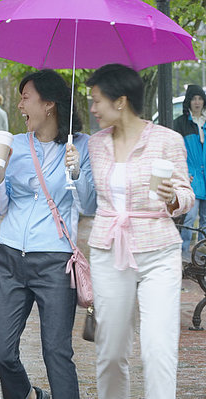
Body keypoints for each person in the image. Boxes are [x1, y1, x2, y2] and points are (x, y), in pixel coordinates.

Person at [0, 69, 96, 399]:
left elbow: (88, 204)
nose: (20, 105)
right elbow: (0, 208)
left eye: (25, 98)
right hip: (8, 259)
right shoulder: (15, 144)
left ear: (48, 104)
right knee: (0, 351)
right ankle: (30, 395)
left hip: (55, 262)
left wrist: (76, 170)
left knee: (57, 354)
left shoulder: (81, 145)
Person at [86, 64, 194, 399]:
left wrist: (174, 197)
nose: (92, 108)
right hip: (108, 250)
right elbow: (88, 198)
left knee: (158, 349)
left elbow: (186, 194)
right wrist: (73, 172)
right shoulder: (94, 144)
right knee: (111, 352)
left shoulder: (167, 140)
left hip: (158, 250)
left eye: (97, 100)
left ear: (120, 101)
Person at [173, 85, 206, 255]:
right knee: (190, 217)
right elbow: (174, 151)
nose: (197, 102)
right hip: (191, 177)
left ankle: (201, 256)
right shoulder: (180, 123)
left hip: (204, 176)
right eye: (194, 98)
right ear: (188, 101)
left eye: (200, 98)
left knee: (205, 220)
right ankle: (184, 253)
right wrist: (183, 173)